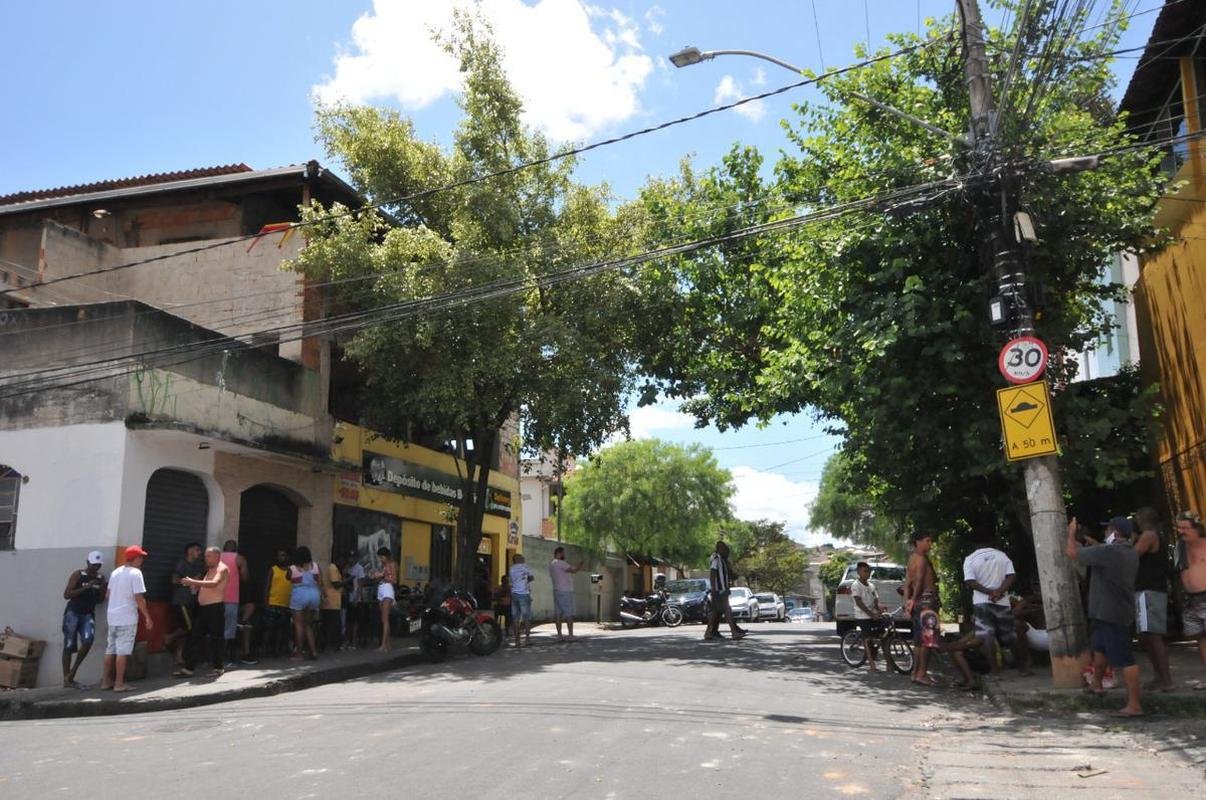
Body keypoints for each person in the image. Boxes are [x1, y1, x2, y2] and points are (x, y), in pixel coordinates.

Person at [1065, 516, 1143, 717]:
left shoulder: (1110, 552)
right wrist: (1095, 544)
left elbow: (1072, 552)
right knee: (1099, 649)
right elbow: (1103, 552)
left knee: (1125, 659)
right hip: (1111, 612)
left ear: (1115, 533)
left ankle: (1134, 705)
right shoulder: (1127, 552)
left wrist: (1071, 532)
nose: (1105, 533)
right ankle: (1096, 684)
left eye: (1107, 530)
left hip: (1112, 614)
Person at [962, 537, 1030, 674]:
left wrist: (989, 592)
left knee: (986, 636)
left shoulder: (970, 558)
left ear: (975, 545)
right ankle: (1022, 668)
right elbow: (1011, 575)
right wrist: (999, 592)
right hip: (1002, 601)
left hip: (981, 602)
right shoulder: (1002, 556)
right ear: (991, 544)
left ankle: (994, 670)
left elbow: (970, 581)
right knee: (1010, 635)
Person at [101, 545, 153, 692]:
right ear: (135, 558)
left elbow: (108, 595)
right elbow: (139, 597)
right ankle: (119, 683)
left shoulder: (115, 572)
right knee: (122, 651)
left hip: (112, 616)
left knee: (110, 649)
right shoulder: (136, 573)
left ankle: (105, 681)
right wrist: (147, 617)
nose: (142, 560)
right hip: (127, 617)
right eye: (140, 557)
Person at [1132, 507, 1173, 691]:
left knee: (1153, 636)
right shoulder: (1154, 535)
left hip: (1149, 590)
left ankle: (1166, 680)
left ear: (1142, 520)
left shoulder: (1148, 535)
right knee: (1146, 636)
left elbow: (1133, 555)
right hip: (1147, 590)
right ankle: (1159, 676)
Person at [177, 546, 230, 678]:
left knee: (216, 639)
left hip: (215, 608)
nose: (205, 558)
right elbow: (206, 586)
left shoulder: (222, 568)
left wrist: (193, 581)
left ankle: (218, 668)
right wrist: (195, 586)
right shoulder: (210, 569)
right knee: (195, 637)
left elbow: (214, 583)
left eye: (208, 556)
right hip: (204, 609)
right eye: (206, 556)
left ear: (217, 556)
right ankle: (189, 668)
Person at [61, 550, 107, 687]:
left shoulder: (100, 578)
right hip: (73, 613)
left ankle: (72, 672)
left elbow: (99, 601)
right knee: (69, 645)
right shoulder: (78, 574)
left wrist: (102, 589)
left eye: (98, 565)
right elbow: (67, 594)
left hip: (88, 614)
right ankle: (66, 679)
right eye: (94, 564)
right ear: (87, 562)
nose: (96, 567)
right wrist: (86, 587)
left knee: (88, 640)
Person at [904, 531, 940, 686]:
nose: (930, 544)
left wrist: (908, 603)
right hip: (927, 601)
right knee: (928, 640)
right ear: (918, 542)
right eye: (927, 540)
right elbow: (918, 582)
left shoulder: (911, 558)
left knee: (919, 641)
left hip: (919, 602)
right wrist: (912, 601)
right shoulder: (921, 559)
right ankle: (922, 674)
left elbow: (907, 584)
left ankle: (915, 673)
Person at [1174, 510, 1206, 669]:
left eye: (1185, 528)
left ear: (1197, 528)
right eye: (1179, 528)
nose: (1181, 531)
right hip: (1190, 600)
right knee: (1201, 639)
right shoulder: (1180, 547)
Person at [164, 542, 202, 668]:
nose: (199, 553)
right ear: (189, 551)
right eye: (197, 550)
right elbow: (174, 580)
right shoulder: (181, 564)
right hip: (182, 601)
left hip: (191, 601)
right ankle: (169, 637)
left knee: (185, 628)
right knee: (189, 628)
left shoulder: (196, 566)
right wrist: (188, 581)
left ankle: (178, 656)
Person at [703, 540, 746, 641]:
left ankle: (709, 632)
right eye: (723, 548)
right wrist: (713, 588)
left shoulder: (722, 560)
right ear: (719, 549)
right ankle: (734, 632)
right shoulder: (716, 559)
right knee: (727, 609)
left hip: (723, 589)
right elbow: (712, 573)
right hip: (719, 589)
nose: (725, 551)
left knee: (715, 611)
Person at [290, 546, 323, 660]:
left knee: (298, 625)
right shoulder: (316, 566)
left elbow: (288, 578)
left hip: (300, 595)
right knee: (308, 625)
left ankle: (299, 653)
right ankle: (313, 652)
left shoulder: (293, 568)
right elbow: (320, 582)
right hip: (314, 595)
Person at [850, 561, 885, 671]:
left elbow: (876, 600)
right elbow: (858, 602)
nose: (867, 573)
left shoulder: (871, 586)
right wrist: (871, 614)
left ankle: (888, 663)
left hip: (872, 614)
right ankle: (871, 665)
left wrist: (880, 609)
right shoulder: (856, 585)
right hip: (862, 616)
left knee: (884, 635)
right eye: (865, 571)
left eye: (868, 571)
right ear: (859, 572)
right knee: (868, 639)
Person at [220, 540, 248, 667]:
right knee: (229, 630)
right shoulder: (239, 559)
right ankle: (225, 659)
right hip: (231, 598)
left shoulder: (216, 557)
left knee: (217, 628)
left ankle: (214, 658)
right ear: (236, 549)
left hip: (215, 598)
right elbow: (245, 577)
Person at [262, 549, 294, 657]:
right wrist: (266, 602)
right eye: (280, 556)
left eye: (283, 555)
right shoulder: (273, 569)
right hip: (273, 602)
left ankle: (276, 650)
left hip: (285, 604)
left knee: (280, 629)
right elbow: (267, 586)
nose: (281, 558)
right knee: (269, 628)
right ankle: (264, 649)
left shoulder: (291, 571)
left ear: (287, 557)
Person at [549, 546, 584, 641]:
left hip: (556, 590)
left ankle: (559, 636)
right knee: (569, 613)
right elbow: (574, 570)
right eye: (563, 553)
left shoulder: (552, 564)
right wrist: (581, 564)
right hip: (565, 591)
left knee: (558, 614)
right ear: (559, 553)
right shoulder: (561, 563)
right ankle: (570, 635)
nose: (564, 555)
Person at [370, 546, 397, 652]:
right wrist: (376, 577)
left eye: (382, 557)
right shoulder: (383, 566)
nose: (381, 559)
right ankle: (388, 644)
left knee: (385, 619)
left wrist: (382, 576)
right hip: (381, 590)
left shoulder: (392, 564)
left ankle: (383, 645)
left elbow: (394, 580)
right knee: (383, 619)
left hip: (387, 590)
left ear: (386, 556)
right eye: (380, 557)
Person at [509, 553, 535, 647]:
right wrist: (526, 580)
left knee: (516, 619)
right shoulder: (524, 566)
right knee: (527, 618)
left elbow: (512, 581)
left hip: (514, 594)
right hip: (524, 594)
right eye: (521, 557)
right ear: (518, 559)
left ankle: (517, 641)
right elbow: (532, 577)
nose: (523, 558)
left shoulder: (511, 568)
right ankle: (527, 639)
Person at [344, 552, 366, 649]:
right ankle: (348, 641)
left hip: (356, 598)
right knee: (349, 621)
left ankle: (354, 642)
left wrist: (357, 598)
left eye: (352, 557)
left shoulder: (359, 568)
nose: (350, 559)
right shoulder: (349, 568)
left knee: (355, 622)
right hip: (349, 597)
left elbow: (360, 585)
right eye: (349, 557)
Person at [322, 556, 344, 652]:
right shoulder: (333, 568)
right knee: (333, 625)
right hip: (331, 602)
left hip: (333, 601)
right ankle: (329, 645)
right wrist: (348, 580)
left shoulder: (335, 569)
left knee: (331, 624)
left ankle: (330, 645)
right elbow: (336, 584)